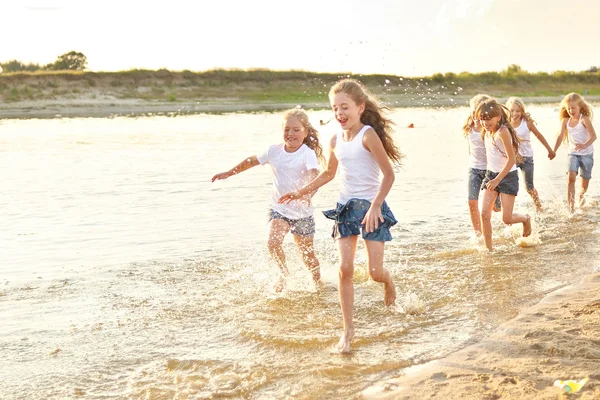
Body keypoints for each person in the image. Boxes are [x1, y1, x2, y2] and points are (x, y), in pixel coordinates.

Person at [279, 79, 402, 353]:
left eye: (344, 107)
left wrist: (375, 206)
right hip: (345, 209)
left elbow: (389, 175)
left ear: (360, 107)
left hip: (372, 209)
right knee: (344, 269)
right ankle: (347, 331)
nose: (339, 113)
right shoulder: (335, 138)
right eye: (335, 108)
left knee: (374, 272)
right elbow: (328, 174)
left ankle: (388, 281)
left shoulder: (368, 135)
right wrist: (302, 191)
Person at [211, 108, 324, 291]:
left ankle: (318, 285)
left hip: (302, 212)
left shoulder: (306, 153)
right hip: (279, 208)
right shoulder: (274, 151)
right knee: (272, 243)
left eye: (296, 130)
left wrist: (308, 194)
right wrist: (228, 173)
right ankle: (284, 275)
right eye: (287, 129)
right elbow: (251, 161)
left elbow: (315, 175)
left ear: (305, 132)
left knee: (307, 254)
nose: (291, 134)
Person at [475, 99, 532, 251]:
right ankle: (489, 251)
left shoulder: (503, 132)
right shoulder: (485, 130)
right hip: (491, 174)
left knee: (506, 219)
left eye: (488, 119)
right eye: (482, 119)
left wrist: (497, 180)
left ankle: (526, 219)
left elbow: (512, 159)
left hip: (507, 176)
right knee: (484, 214)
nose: (485, 123)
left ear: (498, 117)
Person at [506, 97, 556, 211]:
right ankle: (508, 210)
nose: (515, 113)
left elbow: (539, 136)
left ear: (522, 111)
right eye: (512, 110)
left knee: (529, 187)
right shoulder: (505, 124)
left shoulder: (526, 122)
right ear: (508, 110)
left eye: (518, 111)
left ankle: (539, 207)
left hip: (526, 158)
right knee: (509, 186)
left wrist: (549, 150)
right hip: (511, 159)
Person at [463, 94, 501, 236]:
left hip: (490, 171)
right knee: (471, 201)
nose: (474, 114)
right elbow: (470, 146)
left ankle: (506, 212)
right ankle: (478, 234)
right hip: (473, 169)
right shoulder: (469, 126)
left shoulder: (490, 128)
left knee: (496, 208)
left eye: (477, 111)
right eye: (472, 111)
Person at [553, 93, 596, 213]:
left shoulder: (584, 119)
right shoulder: (565, 121)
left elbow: (593, 136)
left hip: (587, 155)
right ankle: (570, 208)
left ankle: (581, 197)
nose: (571, 110)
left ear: (580, 107)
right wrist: (553, 151)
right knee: (571, 177)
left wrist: (584, 145)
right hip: (573, 154)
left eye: (573, 108)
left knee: (584, 184)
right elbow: (560, 136)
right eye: (569, 108)